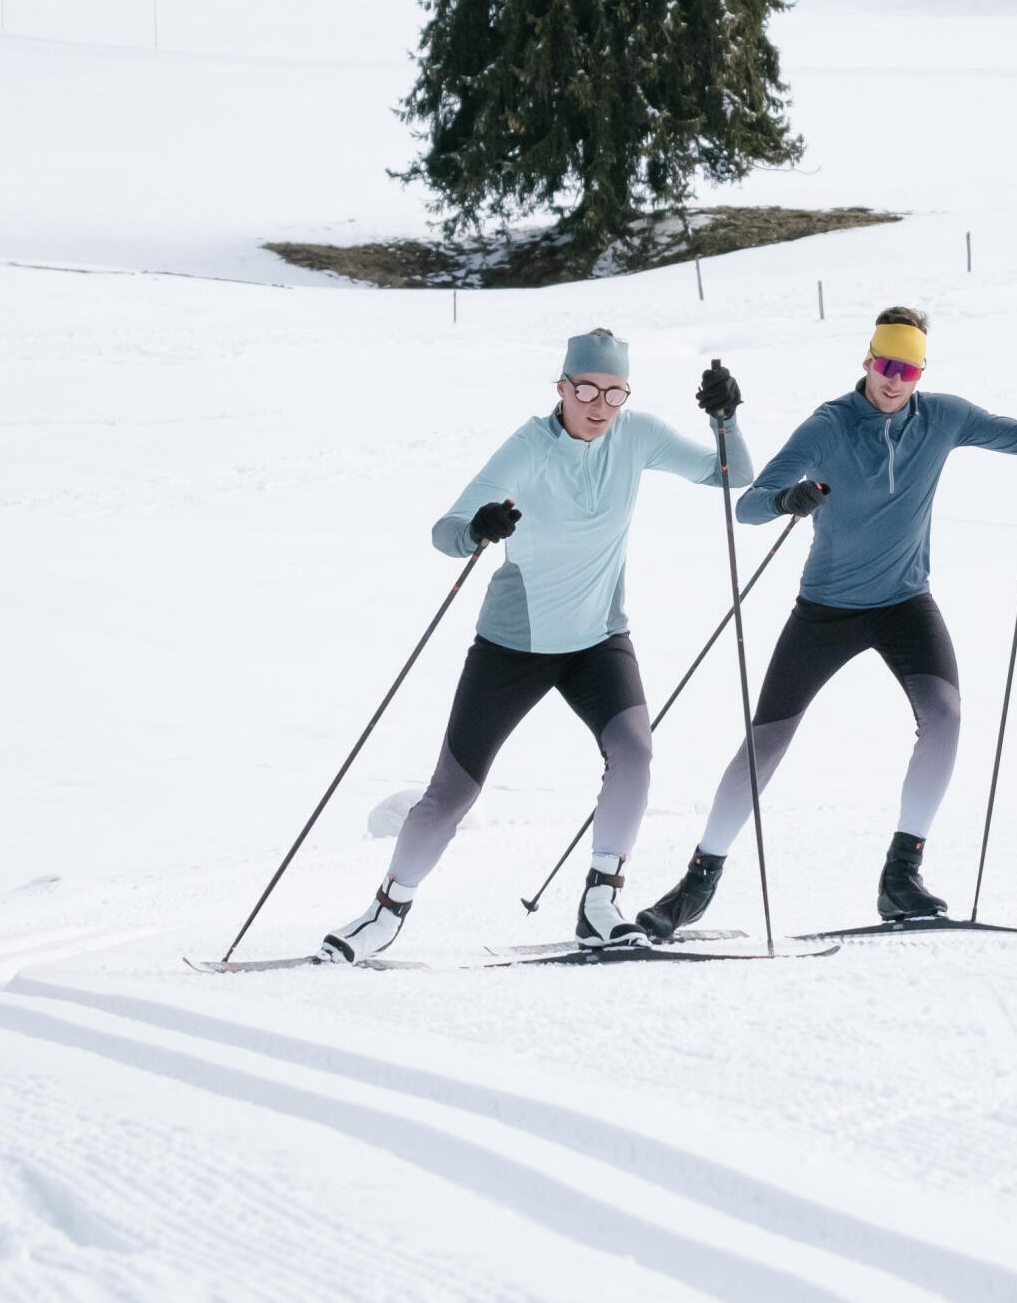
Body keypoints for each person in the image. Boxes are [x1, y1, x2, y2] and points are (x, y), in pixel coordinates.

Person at [638, 308, 1017, 937]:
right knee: (767, 742)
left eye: (908, 369)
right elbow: (751, 508)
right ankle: (698, 883)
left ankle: (902, 876)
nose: (894, 379)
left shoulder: (943, 417)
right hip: (827, 610)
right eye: (884, 364)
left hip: (905, 604)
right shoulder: (830, 425)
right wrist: (789, 499)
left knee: (946, 718)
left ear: (920, 372)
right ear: (867, 361)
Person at [321, 330, 751, 960]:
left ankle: (601, 903)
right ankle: (385, 912)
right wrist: (477, 528)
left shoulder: (637, 436)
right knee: (453, 793)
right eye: (586, 389)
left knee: (634, 755)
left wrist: (726, 419)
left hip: (600, 638)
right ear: (562, 388)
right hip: (513, 644)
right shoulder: (528, 447)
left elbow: (731, 474)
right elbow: (446, 533)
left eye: (614, 391)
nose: (599, 404)